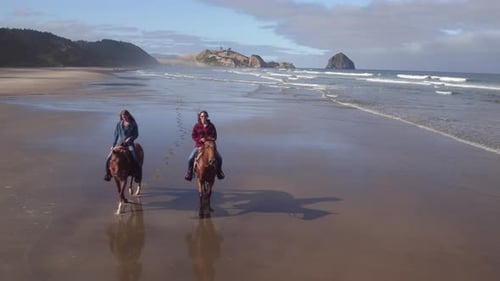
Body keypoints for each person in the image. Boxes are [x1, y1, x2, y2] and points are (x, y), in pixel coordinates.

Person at [185, 110, 225, 181]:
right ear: (200, 117)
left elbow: (214, 136)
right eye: (202, 116)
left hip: (209, 146)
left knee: (220, 158)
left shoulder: (211, 126)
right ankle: (189, 173)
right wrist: (200, 139)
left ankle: (219, 172)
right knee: (190, 158)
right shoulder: (197, 126)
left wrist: (206, 139)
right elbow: (193, 136)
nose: (203, 117)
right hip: (199, 146)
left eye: (205, 116)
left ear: (207, 117)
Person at [104, 109, 141, 182]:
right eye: (122, 116)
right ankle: (108, 174)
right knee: (108, 158)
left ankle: (137, 175)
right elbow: (116, 135)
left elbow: (136, 134)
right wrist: (113, 145)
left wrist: (130, 138)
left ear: (128, 115)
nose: (124, 118)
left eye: (125, 116)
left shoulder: (133, 123)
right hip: (118, 144)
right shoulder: (119, 123)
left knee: (135, 158)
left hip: (129, 144)